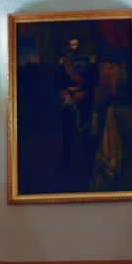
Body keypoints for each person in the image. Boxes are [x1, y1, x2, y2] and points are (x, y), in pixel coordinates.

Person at [57, 38, 96, 174]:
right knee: (67, 132)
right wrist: (64, 93)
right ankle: (66, 165)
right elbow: (59, 80)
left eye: (77, 44)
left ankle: (85, 165)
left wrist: (84, 92)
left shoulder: (88, 61)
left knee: (85, 132)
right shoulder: (63, 61)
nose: (74, 47)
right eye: (72, 44)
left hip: (84, 97)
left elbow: (92, 80)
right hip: (68, 98)